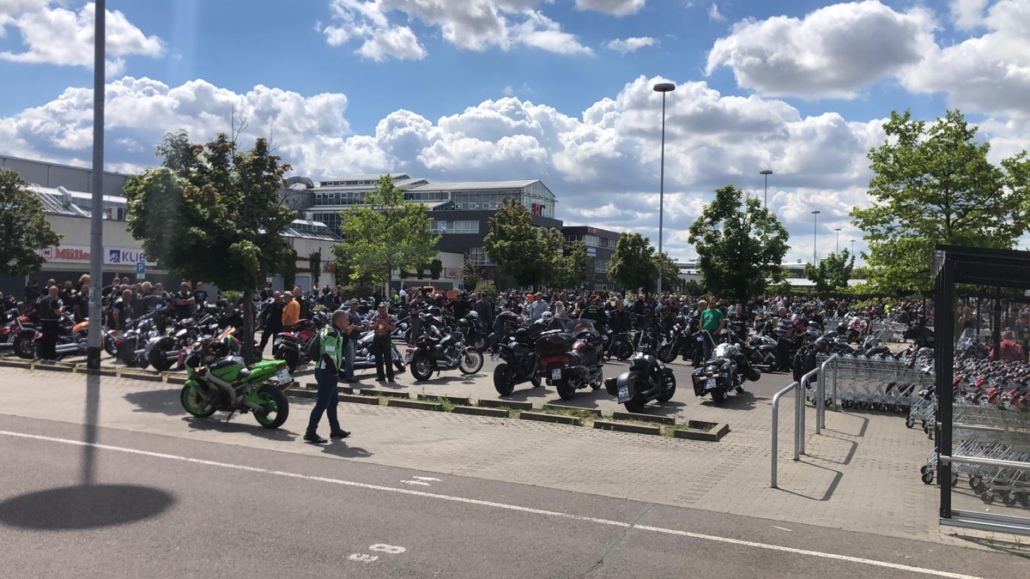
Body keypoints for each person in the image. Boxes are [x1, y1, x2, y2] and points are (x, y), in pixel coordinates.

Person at [303, 310, 352, 444]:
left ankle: (335, 430)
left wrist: (346, 335)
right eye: (346, 320)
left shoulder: (332, 331)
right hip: (327, 372)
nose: (348, 322)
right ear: (339, 321)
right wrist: (335, 371)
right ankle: (310, 432)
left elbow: (337, 348)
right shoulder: (331, 333)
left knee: (332, 402)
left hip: (326, 371)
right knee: (322, 404)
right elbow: (328, 354)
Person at [371, 302, 396, 382]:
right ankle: (380, 376)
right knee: (378, 359)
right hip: (377, 338)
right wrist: (376, 324)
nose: (381, 313)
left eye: (383, 311)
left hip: (386, 339)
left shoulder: (390, 317)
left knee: (388, 358)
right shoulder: (375, 317)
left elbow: (393, 328)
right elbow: (370, 327)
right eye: (380, 311)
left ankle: (390, 376)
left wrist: (385, 324)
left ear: (386, 310)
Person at [36, 286, 62, 361]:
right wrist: (61, 308)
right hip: (52, 321)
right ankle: (51, 356)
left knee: (45, 338)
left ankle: (44, 356)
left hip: (44, 321)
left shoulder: (42, 299)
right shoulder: (53, 301)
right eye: (57, 292)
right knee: (52, 339)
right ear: (54, 292)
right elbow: (57, 312)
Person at [343, 299, 365, 383]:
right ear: (350, 304)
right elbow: (347, 325)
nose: (355, 305)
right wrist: (357, 327)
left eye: (356, 304)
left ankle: (349, 374)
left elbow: (359, 323)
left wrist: (362, 326)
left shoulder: (357, 313)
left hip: (356, 337)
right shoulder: (347, 313)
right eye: (353, 304)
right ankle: (350, 377)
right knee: (349, 358)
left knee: (353, 358)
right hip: (349, 337)